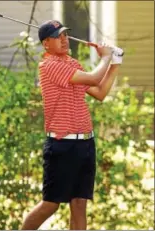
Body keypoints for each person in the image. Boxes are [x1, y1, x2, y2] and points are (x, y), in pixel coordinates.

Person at [21, 20, 123, 230]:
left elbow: (100, 92)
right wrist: (105, 56)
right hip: (61, 144)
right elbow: (94, 79)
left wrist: (115, 62)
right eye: (58, 36)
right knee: (50, 204)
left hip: (85, 144)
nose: (64, 39)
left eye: (65, 35)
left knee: (79, 204)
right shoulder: (49, 66)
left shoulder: (72, 64)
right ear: (46, 43)